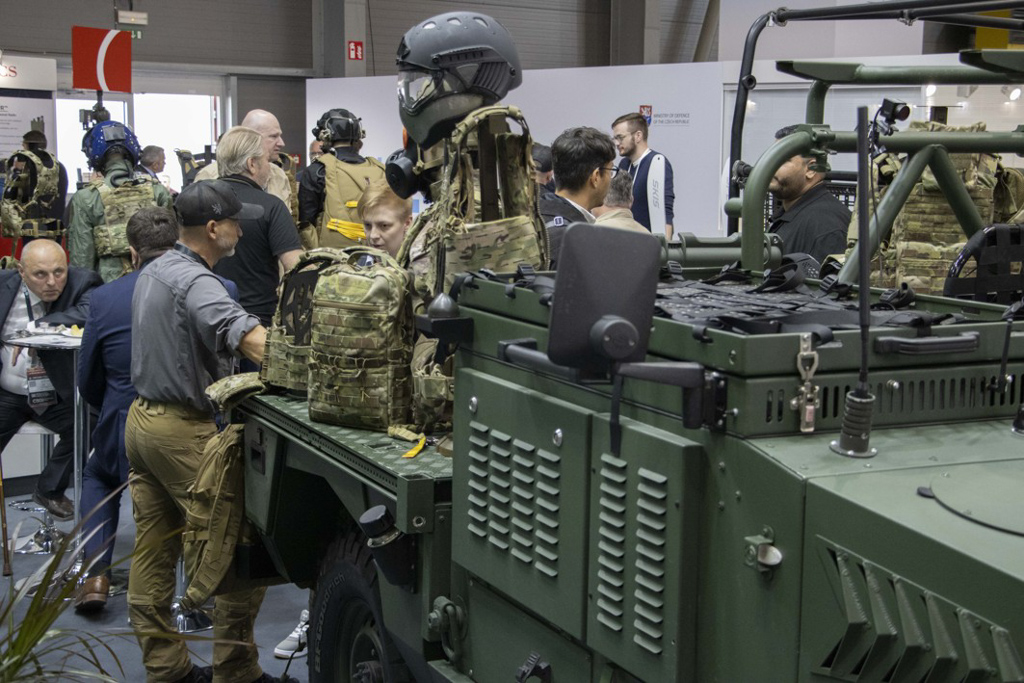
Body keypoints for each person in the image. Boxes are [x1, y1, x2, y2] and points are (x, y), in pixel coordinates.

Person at [126, 179, 286, 683]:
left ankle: (166, 670)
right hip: (182, 430)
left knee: (154, 552)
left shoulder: (155, 268)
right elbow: (248, 338)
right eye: (236, 223)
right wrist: (306, 366)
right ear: (214, 229)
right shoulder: (198, 282)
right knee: (237, 544)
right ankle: (236, 670)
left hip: (143, 424)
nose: (242, 230)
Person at [74, 207, 178, 612]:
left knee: (97, 474)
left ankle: (96, 575)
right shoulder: (217, 287)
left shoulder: (105, 297)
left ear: (132, 253)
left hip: (125, 424)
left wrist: (112, 406)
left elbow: (87, 379)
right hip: (191, 431)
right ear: (177, 246)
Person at [0, 239, 101, 520]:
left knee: (91, 422)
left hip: (55, 393)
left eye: (59, 271)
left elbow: (88, 312)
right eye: (40, 274)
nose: (52, 282)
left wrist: (36, 329)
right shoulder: (3, 285)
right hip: (8, 392)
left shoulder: (83, 282)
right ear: (21, 271)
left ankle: (49, 489)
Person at [210, 126, 302, 333]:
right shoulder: (271, 206)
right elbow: (296, 267)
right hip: (257, 323)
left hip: (206, 318)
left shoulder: (197, 202)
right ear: (252, 164)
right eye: (267, 161)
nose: (270, 168)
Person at [68, 121, 173, 283]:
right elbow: (172, 251)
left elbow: (82, 263)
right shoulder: (157, 191)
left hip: (108, 289)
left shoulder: (86, 198)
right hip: (157, 284)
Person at [298, 108, 385, 249]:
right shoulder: (381, 169)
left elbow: (305, 222)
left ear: (325, 135)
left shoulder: (317, 171)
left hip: (331, 257)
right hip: (379, 255)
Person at [767, 125, 850, 263]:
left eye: (782, 160)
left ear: (811, 169)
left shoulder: (826, 226)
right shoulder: (790, 213)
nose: (769, 167)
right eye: (770, 158)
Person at [539, 126, 617, 268]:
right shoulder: (576, 242)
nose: (611, 178)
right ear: (595, 177)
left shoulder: (538, 217)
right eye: (610, 171)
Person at [195, 109, 292, 207]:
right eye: (273, 136)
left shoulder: (279, 175)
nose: (281, 143)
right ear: (249, 137)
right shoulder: (208, 176)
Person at [612, 112, 676, 238]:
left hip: (649, 241)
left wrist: (665, 246)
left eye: (620, 137)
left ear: (638, 136)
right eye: (614, 138)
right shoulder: (623, 164)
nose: (616, 143)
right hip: (625, 239)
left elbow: (665, 210)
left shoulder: (657, 163)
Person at [21, 129, 69, 227]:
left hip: (34, 225)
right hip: (57, 224)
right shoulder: (60, 166)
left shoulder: (30, 167)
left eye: (24, 145)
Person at [360, 179, 413, 257]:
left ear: (407, 223)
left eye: (384, 226)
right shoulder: (358, 262)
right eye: (368, 225)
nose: (373, 235)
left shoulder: (423, 262)